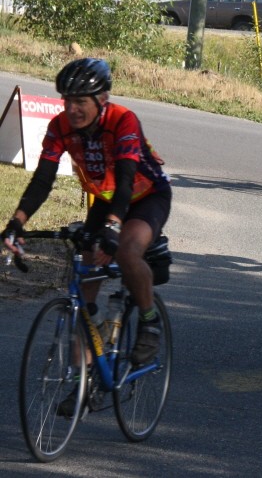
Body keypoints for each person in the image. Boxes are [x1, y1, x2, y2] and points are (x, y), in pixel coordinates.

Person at [1, 58, 172, 375]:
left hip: (146, 196)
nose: (72, 109)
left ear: (102, 99)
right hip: (107, 200)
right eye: (67, 100)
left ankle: (150, 322)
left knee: (127, 251)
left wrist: (113, 227)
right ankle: (84, 381)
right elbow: (43, 180)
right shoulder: (60, 127)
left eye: (80, 101)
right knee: (83, 286)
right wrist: (17, 222)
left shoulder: (123, 120)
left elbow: (125, 181)